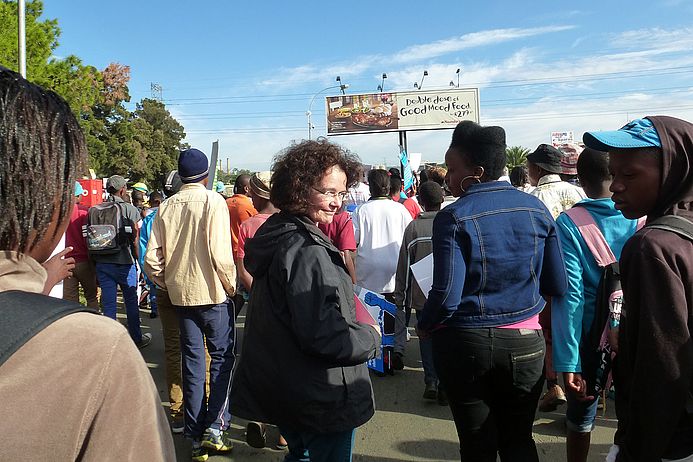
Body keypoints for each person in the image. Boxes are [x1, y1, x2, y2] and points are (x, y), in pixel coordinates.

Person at [0, 65, 174, 461]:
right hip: (116, 264)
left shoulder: (92, 211)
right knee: (121, 306)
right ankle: (135, 330)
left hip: (94, 263)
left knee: (105, 305)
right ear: (52, 204)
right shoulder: (95, 355)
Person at [418, 120, 567, 462]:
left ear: (477, 172)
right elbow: (557, 283)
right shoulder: (537, 208)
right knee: (518, 440)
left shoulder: (453, 217)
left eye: (452, 170)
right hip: (526, 344)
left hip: (464, 344)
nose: (448, 180)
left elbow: (446, 294)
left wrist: (425, 324)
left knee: (477, 443)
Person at [230, 139, 381, 462]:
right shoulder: (306, 250)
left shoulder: (279, 235)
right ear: (298, 189)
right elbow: (324, 335)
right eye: (327, 192)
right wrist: (371, 336)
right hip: (319, 394)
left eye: (341, 194)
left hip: (291, 387)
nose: (336, 203)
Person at [583, 116, 693, 462]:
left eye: (629, 175)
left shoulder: (652, 247)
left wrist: (634, 450)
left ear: (674, 169)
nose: (615, 186)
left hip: (671, 440)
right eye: (614, 174)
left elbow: (661, 367)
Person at [145, 148, 237, 461]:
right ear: (206, 175)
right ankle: (216, 428)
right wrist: (231, 286)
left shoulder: (166, 206)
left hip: (180, 296)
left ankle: (195, 436)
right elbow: (221, 254)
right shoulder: (214, 202)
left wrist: (165, 281)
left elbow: (150, 258)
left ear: (182, 177)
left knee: (192, 363)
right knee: (222, 358)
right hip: (213, 295)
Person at [550, 148, 639, 462]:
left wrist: (568, 360)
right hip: (635, 336)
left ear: (580, 179)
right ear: (615, 175)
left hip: (589, 339)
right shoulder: (640, 217)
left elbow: (570, 296)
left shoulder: (570, 223)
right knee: (632, 416)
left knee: (580, 418)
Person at [527, 143, 586, 412]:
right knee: (583, 327)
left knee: (549, 332)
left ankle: (555, 386)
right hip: (584, 271)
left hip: (546, 274)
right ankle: (586, 385)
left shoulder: (532, 196)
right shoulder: (579, 192)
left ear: (537, 169)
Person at [354, 168, 412, 369]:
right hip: (396, 268)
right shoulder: (401, 209)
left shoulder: (361, 211)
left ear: (370, 187)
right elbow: (409, 239)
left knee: (372, 316)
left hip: (369, 271)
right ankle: (396, 350)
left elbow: (354, 241)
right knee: (396, 312)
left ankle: (377, 358)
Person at [393, 181, 445, 403]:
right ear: (442, 199)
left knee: (426, 338)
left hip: (423, 298)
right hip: (450, 297)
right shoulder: (453, 223)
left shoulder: (413, 229)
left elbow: (404, 269)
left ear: (420, 202)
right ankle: (445, 384)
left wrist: (401, 299)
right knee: (447, 340)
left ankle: (431, 380)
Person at [91, 174, 150, 348]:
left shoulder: (95, 210)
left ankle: (110, 342)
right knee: (130, 301)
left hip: (102, 262)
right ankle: (136, 339)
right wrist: (140, 261)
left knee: (108, 304)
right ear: (123, 189)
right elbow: (136, 238)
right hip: (126, 262)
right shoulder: (131, 210)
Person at [63, 181, 98, 308]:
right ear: (78, 195)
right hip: (84, 261)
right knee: (91, 297)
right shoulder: (85, 212)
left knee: (70, 301)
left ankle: (74, 325)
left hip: (66, 263)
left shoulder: (61, 213)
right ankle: (94, 322)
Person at [138, 191, 164, 318]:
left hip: (152, 261)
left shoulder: (147, 220)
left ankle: (155, 309)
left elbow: (143, 245)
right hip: (169, 262)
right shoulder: (169, 216)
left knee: (154, 286)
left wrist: (143, 265)